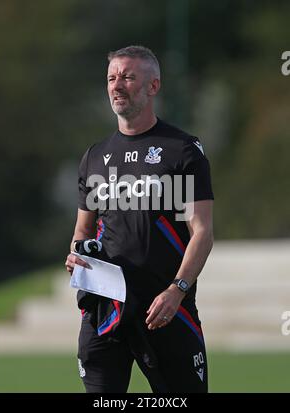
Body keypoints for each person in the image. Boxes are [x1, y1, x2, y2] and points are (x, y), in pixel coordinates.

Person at [65, 45, 214, 393]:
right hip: (106, 309)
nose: (117, 85)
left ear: (153, 86)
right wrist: (75, 254)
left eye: (128, 77)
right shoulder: (95, 157)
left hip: (164, 308)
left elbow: (202, 231)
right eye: (112, 78)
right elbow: (82, 231)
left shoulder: (181, 150)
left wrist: (176, 291)